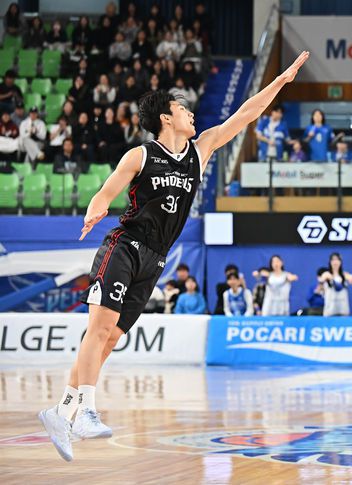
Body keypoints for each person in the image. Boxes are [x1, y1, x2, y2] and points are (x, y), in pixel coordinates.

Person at [37, 51, 309, 462]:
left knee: (111, 338)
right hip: (125, 246)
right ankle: (86, 410)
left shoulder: (201, 150)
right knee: (100, 327)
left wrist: (281, 81)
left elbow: (246, 114)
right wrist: (95, 209)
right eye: (183, 109)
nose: (191, 113)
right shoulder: (140, 155)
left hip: (156, 259)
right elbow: (106, 191)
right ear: (166, 118)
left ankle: (61, 412)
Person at [321, 253, 352, 317]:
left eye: (337, 260)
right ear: (330, 262)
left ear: (340, 262)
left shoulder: (345, 275)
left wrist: (351, 277)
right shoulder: (326, 274)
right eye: (333, 260)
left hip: (343, 310)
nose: (335, 262)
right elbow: (321, 283)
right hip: (329, 311)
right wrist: (324, 279)